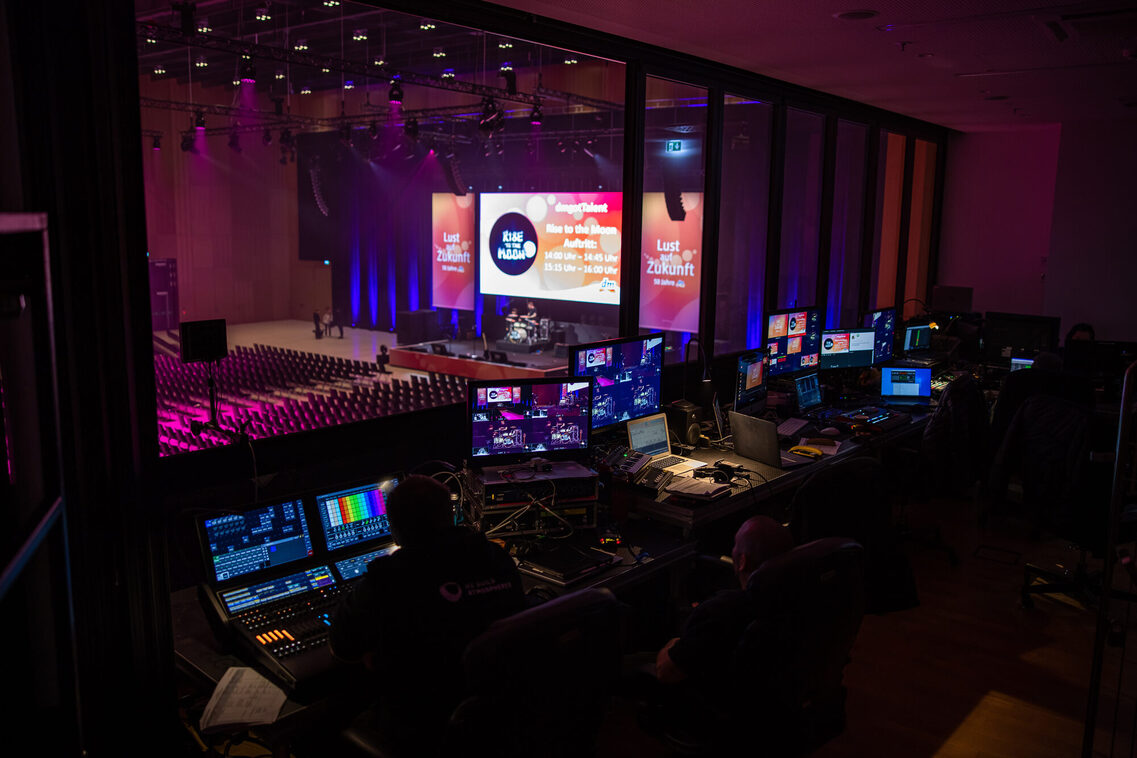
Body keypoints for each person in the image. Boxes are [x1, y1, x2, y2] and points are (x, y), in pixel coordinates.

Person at [329, 475, 524, 755]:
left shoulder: (386, 580)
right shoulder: (495, 556)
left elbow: (342, 649)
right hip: (502, 718)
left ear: (394, 530)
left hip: (422, 729)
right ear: (451, 515)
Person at [655, 515, 794, 690]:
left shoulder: (720, 611)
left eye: (735, 545)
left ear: (742, 562)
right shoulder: (800, 601)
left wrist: (675, 642)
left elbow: (666, 672)